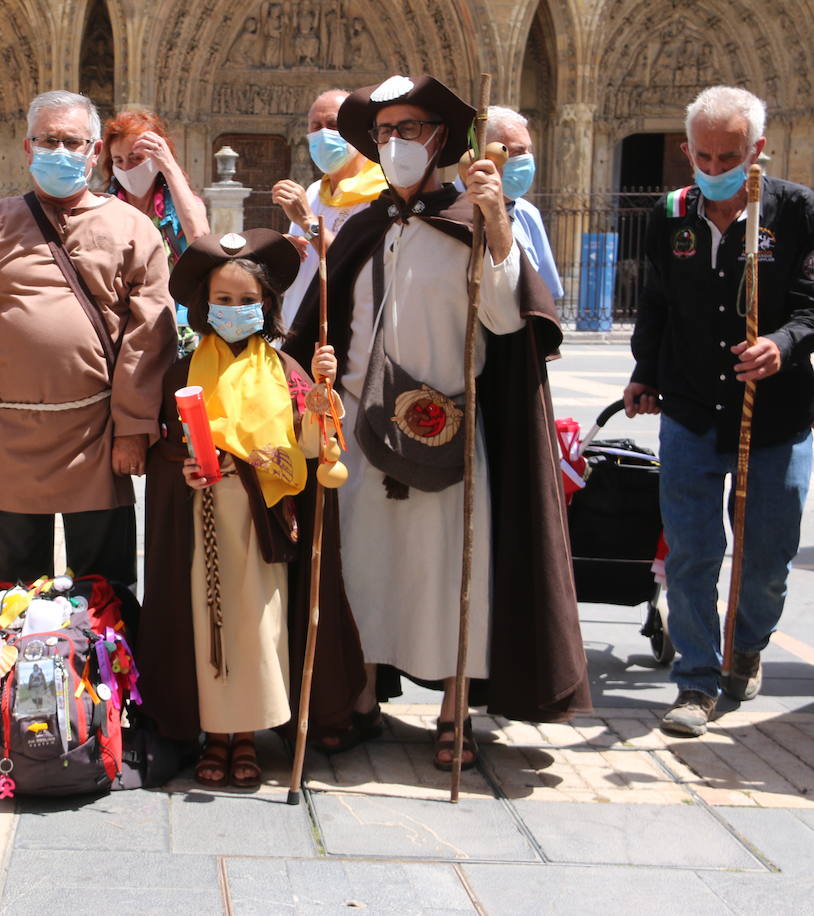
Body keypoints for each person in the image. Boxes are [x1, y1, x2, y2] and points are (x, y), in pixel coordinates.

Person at [289, 75, 590, 770]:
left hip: (449, 428)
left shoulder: (469, 221)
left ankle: (456, 708)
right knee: (363, 567)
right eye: (386, 131)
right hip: (362, 434)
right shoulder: (360, 228)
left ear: (444, 141)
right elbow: (322, 324)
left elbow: (509, 319)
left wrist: (499, 226)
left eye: (412, 130)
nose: (396, 143)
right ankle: (361, 698)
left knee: (452, 571)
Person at [137, 229, 364, 787]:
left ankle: (249, 736)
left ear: (266, 305)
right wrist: (179, 467)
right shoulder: (182, 371)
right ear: (204, 305)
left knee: (257, 629)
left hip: (266, 526)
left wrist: (322, 399)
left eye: (246, 301)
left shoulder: (289, 370)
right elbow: (165, 447)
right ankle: (213, 734)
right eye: (223, 300)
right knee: (206, 626)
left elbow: (314, 451)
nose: (234, 310)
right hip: (202, 521)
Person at [624, 86, 814, 737]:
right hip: (690, 410)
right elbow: (655, 303)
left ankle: (749, 642)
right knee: (693, 553)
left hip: (777, 416)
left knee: (765, 558)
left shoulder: (796, 211)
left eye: (727, 155)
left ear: (756, 151)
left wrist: (781, 344)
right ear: (686, 151)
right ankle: (697, 681)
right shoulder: (669, 213)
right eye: (701, 156)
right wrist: (644, 374)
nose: (713, 168)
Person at [0, 90, 175, 591]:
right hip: (11, 439)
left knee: (104, 595)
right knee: (14, 596)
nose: (59, 151)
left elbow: (149, 336)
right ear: (27, 147)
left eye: (72, 141)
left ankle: (107, 673)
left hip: (98, 435)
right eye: (48, 140)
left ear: (93, 152)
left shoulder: (133, 227)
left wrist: (133, 427)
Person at [271, 89, 386, 330]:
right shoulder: (313, 192)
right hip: (297, 330)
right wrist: (284, 252)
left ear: (360, 130)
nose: (323, 133)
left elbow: (358, 269)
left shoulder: (383, 195)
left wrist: (308, 222)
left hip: (345, 336)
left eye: (333, 125)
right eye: (315, 126)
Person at [100, 109, 209, 351]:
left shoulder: (181, 205)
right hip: (121, 332)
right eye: (118, 160)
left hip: (178, 333)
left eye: (136, 158)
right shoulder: (103, 209)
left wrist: (169, 166)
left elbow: (200, 239)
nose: (127, 168)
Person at [453, 106, 563, 300]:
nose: (527, 159)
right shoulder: (444, 210)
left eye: (529, 150)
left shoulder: (528, 214)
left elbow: (545, 295)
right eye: (517, 151)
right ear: (481, 154)